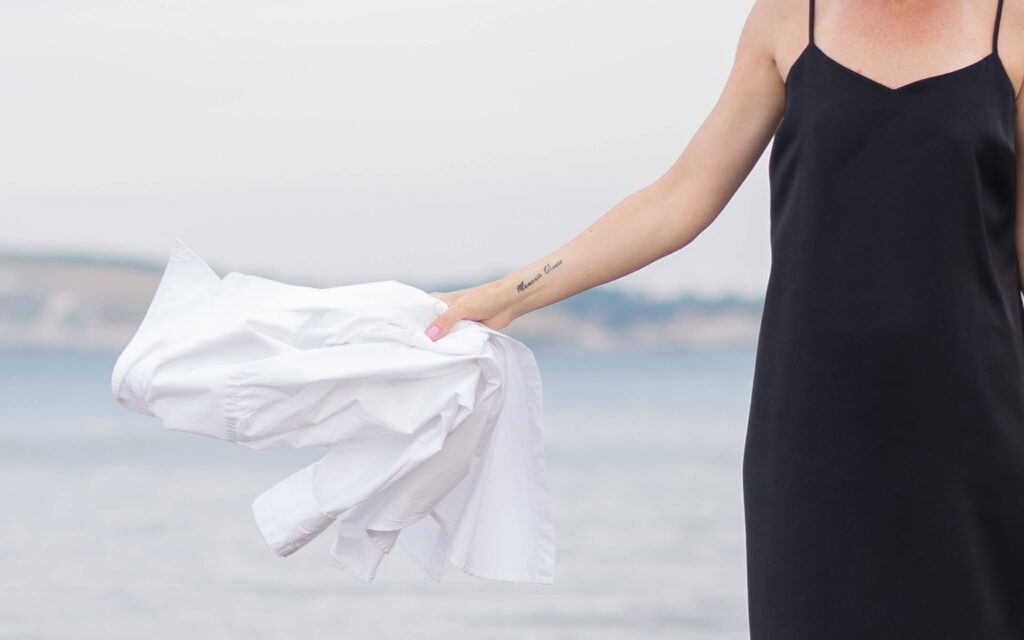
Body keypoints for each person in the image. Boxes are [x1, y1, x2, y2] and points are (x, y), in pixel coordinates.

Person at [422, 0, 1024, 637]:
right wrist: (506, 294)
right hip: (814, 434)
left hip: (974, 434)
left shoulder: (1012, 24)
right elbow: (681, 197)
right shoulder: (792, 18)